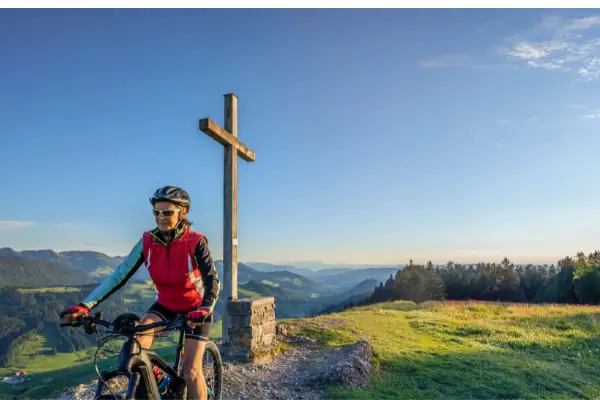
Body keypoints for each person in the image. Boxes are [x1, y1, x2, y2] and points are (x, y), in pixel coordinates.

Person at [60, 185, 220, 400]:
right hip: (165, 305)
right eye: (157, 212)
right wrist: (86, 305)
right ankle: (159, 382)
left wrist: (205, 308)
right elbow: (119, 276)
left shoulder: (195, 241)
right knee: (135, 346)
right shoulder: (147, 241)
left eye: (167, 212)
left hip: (196, 308)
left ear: (183, 213)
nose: (161, 218)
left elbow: (212, 280)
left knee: (191, 371)